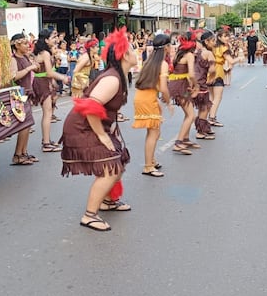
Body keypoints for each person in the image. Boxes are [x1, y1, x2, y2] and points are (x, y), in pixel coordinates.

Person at [61, 28, 138, 232]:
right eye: (132, 48)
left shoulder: (119, 76)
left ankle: (108, 201)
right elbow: (91, 108)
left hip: (94, 124)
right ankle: (89, 215)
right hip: (82, 126)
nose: (136, 51)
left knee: (118, 161)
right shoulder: (112, 79)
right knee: (110, 168)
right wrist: (102, 135)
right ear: (125, 55)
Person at [132, 33, 172, 177]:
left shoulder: (149, 61)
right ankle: (148, 166)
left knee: (154, 132)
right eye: (170, 45)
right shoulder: (163, 64)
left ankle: (152, 161)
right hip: (148, 99)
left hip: (143, 97)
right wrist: (168, 102)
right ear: (166, 47)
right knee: (153, 133)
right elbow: (163, 88)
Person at [32, 28, 70, 152]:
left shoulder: (44, 52)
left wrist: (53, 82)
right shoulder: (46, 53)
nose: (55, 39)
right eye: (53, 37)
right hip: (42, 83)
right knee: (47, 113)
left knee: (47, 113)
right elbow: (48, 72)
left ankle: (47, 140)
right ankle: (46, 143)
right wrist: (62, 77)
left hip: (44, 82)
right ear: (46, 39)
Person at [9, 33, 40, 165]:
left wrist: (35, 66)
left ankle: (23, 152)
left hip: (26, 93)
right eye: (25, 43)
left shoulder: (25, 57)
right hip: (18, 95)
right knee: (24, 125)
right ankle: (17, 155)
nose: (28, 46)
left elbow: (35, 71)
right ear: (17, 45)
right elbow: (14, 76)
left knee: (27, 125)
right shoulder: (13, 59)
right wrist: (29, 68)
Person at [167, 31, 199, 155]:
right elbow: (191, 74)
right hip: (181, 86)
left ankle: (184, 139)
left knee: (188, 113)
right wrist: (196, 85)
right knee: (191, 115)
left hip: (177, 84)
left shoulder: (179, 53)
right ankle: (179, 142)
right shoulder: (189, 55)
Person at [208, 29, 234, 126]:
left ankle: (210, 116)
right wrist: (239, 59)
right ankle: (212, 117)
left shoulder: (213, 47)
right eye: (225, 36)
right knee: (218, 97)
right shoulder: (223, 48)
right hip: (217, 73)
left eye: (228, 36)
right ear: (219, 37)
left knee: (212, 97)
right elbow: (231, 61)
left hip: (209, 73)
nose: (227, 38)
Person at [194, 31, 217, 140]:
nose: (214, 43)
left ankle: (202, 129)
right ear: (206, 42)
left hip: (194, 83)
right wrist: (211, 79)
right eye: (213, 41)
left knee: (201, 108)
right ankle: (201, 132)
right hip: (202, 83)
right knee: (204, 108)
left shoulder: (197, 52)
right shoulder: (209, 53)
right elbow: (212, 69)